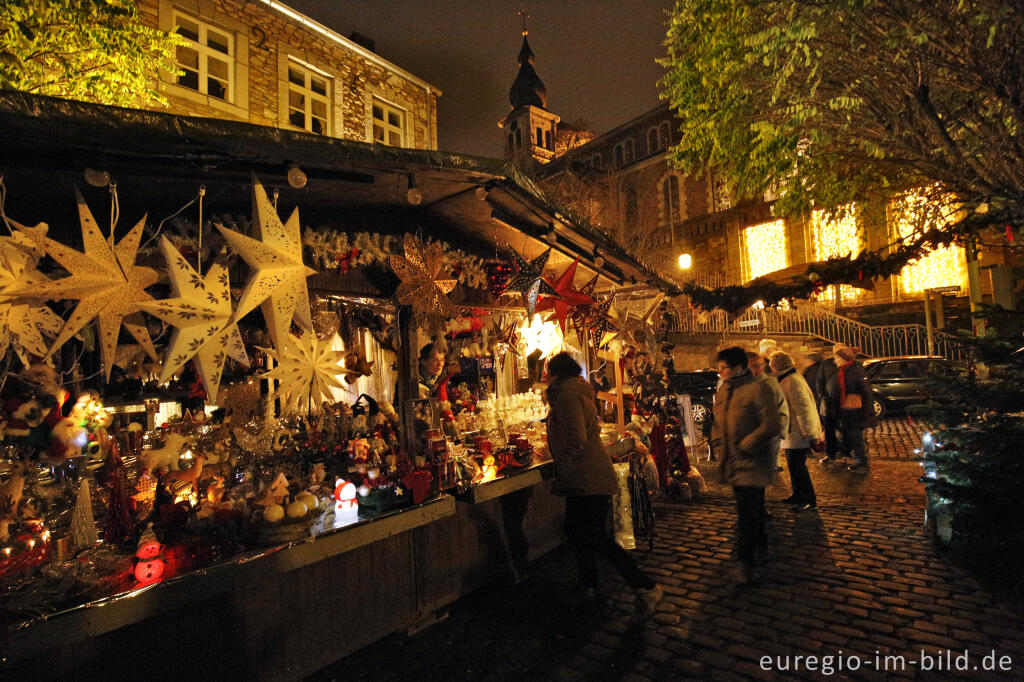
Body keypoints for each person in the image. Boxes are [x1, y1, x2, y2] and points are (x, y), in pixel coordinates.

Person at [544, 352, 663, 619]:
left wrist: (562, 460)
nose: (545, 375)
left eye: (548, 370)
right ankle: (589, 585)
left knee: (594, 536)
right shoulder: (574, 390)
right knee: (577, 533)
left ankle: (646, 586)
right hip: (585, 473)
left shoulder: (566, 394)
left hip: (585, 474)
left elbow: (575, 437)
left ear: (555, 372)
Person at [711, 347, 781, 584]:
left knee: (746, 514)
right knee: (752, 510)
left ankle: (745, 564)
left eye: (724, 368)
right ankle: (763, 548)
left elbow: (771, 425)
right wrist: (718, 444)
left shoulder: (758, 389)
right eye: (719, 368)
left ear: (739, 368)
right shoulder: (723, 391)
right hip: (732, 460)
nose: (720, 373)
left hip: (752, 462)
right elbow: (717, 421)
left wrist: (746, 445)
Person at [770, 351, 824, 511]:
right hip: (792, 433)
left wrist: (811, 435)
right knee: (794, 466)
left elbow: (804, 410)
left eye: (771, 365)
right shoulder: (788, 379)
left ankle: (808, 499)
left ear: (776, 366)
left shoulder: (792, 381)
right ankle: (798, 494)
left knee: (799, 467)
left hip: (799, 433)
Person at [829, 345, 876, 472]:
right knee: (848, 434)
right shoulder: (844, 370)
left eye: (836, 358)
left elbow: (865, 390)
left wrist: (867, 411)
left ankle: (862, 463)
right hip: (846, 410)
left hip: (855, 410)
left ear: (843, 359)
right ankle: (847, 454)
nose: (835, 361)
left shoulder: (854, 370)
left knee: (855, 436)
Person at [747, 351, 789, 472]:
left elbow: (782, 407)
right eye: (753, 366)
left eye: (760, 365)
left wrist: (781, 431)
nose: (758, 369)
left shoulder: (769, 383)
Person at [810, 348, 841, 465]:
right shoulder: (826, 363)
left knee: (846, 429)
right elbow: (819, 380)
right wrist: (822, 395)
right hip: (828, 402)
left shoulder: (852, 365)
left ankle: (845, 451)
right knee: (829, 429)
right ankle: (831, 453)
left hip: (844, 403)